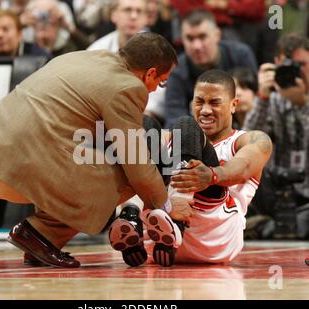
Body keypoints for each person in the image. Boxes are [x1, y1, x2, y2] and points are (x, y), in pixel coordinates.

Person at [0, 32, 178, 268]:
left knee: (79, 156)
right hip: (18, 168)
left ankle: (39, 245)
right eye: (160, 82)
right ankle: (40, 233)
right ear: (150, 72)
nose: (155, 90)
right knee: (126, 174)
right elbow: (136, 164)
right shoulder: (128, 86)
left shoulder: (79, 57)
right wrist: (166, 208)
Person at [109, 69, 272, 267]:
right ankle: (131, 216)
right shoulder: (171, 138)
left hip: (214, 238)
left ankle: (178, 215)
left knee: (186, 124)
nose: (205, 110)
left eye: (214, 103)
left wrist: (212, 175)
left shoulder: (248, 139)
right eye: (199, 101)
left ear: (233, 105)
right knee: (144, 125)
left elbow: (245, 166)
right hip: (160, 244)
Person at [244, 33, 309, 240]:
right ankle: (272, 224)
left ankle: (267, 227)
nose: (295, 72)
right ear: (276, 65)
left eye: (301, 64)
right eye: (288, 66)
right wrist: (262, 97)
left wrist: (302, 105)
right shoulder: (271, 98)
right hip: (276, 192)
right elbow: (246, 142)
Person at [163, 9, 257, 129]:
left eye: (202, 37)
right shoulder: (177, 71)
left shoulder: (240, 55)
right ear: (182, 40)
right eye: (190, 39)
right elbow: (174, 122)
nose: (196, 46)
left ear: (217, 35)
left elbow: (257, 102)